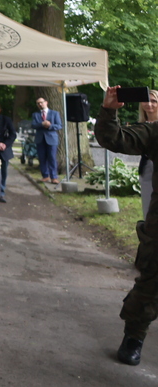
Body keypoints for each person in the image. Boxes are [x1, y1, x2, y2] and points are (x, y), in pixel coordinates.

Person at [93, 85, 158, 366]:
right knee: (151, 285)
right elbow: (112, 137)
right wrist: (108, 110)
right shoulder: (155, 131)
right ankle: (134, 335)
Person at [137, 89, 158, 217]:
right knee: (148, 203)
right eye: (146, 100)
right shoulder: (140, 126)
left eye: (154, 101)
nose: (149, 104)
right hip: (146, 166)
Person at [33, 96, 62, 184]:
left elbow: (59, 125)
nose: (40, 104)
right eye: (38, 103)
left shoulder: (54, 113)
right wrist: (42, 124)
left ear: (46, 102)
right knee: (42, 158)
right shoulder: (35, 114)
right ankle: (45, 176)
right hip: (40, 139)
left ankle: (54, 177)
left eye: (41, 102)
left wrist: (50, 126)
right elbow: (33, 125)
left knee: (52, 158)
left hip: (52, 139)